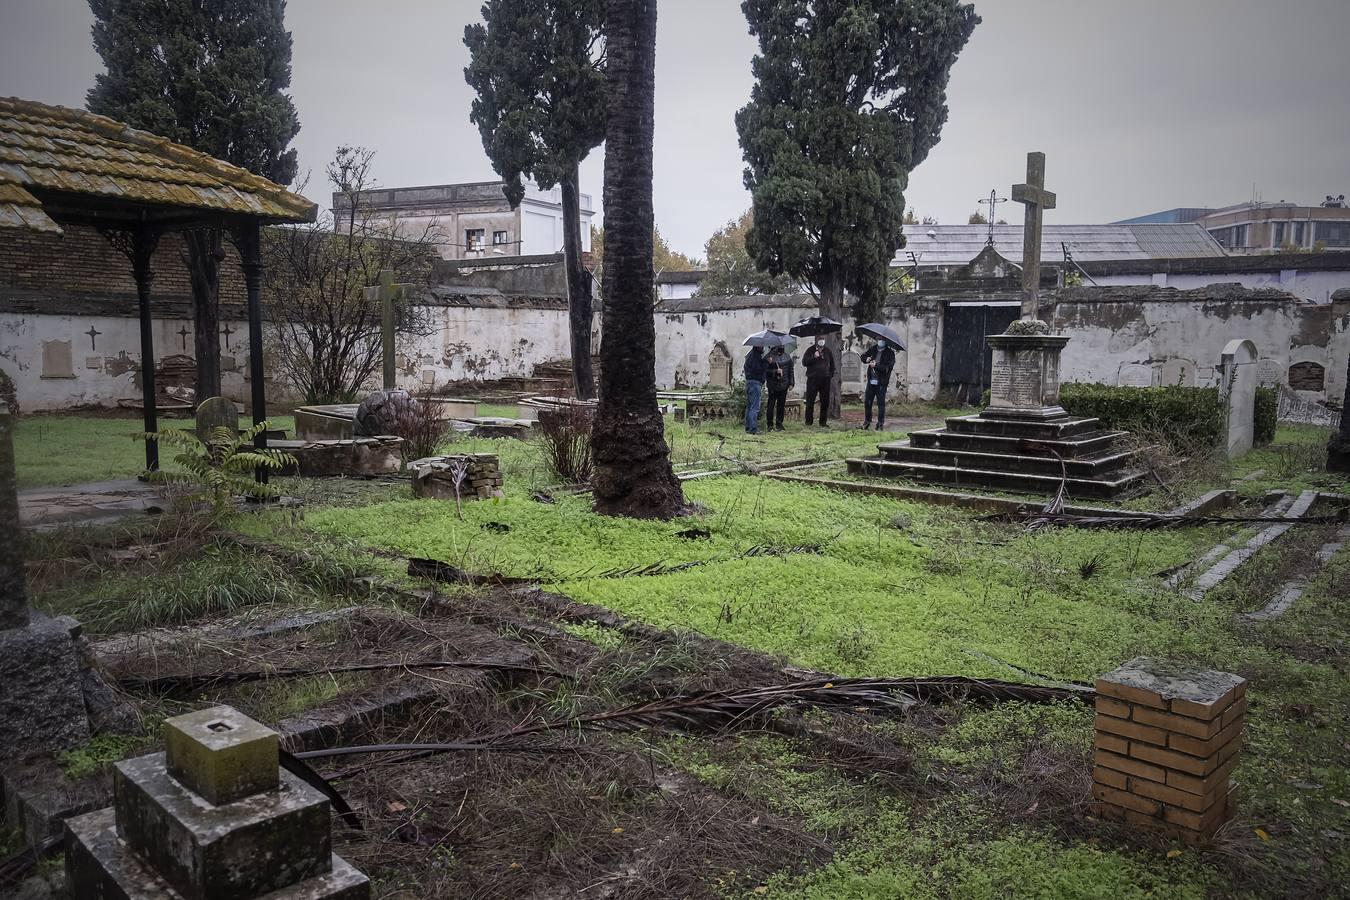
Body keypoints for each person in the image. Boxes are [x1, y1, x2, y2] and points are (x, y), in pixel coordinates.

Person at [860, 338, 896, 430]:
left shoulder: (890, 353)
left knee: (880, 404)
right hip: (871, 380)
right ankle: (867, 421)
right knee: (867, 402)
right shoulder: (873, 349)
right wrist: (866, 359)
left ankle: (880, 423)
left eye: (882, 340)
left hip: (881, 382)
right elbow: (863, 356)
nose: (880, 341)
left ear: (886, 342)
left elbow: (888, 368)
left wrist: (876, 366)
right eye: (879, 339)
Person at [801, 336, 835, 427]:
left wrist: (830, 375)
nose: (821, 341)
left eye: (823, 339)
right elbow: (804, 362)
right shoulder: (810, 350)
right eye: (820, 339)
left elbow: (832, 365)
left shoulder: (828, 351)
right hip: (813, 379)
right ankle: (809, 422)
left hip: (825, 380)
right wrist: (814, 357)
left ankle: (823, 422)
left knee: (825, 401)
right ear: (816, 341)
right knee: (810, 401)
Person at [764, 344, 795, 431]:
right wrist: (775, 372)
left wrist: (791, 383)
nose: (782, 347)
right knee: (771, 405)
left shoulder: (787, 356)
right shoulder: (769, 357)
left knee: (781, 405)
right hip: (773, 385)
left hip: (784, 384)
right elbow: (765, 371)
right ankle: (770, 424)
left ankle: (779, 423)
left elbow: (791, 370)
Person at [743, 345, 767, 434]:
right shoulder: (755, 357)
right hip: (755, 383)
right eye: (762, 346)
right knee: (754, 408)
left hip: (749, 382)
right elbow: (758, 369)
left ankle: (748, 428)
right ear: (758, 347)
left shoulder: (750, 356)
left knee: (749, 407)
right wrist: (766, 362)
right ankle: (753, 429)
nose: (763, 348)